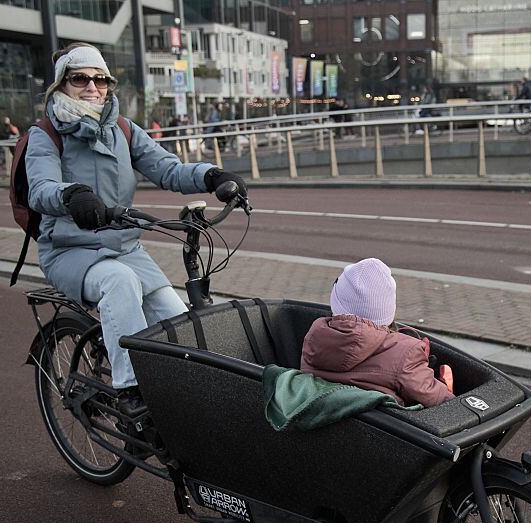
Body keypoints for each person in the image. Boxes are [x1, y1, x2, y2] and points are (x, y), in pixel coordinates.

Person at [25, 42, 247, 417]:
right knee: (119, 284)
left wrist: (212, 176)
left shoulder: (124, 130)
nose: (92, 86)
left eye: (101, 79)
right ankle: (130, 390)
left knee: (178, 324)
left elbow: (168, 169)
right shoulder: (45, 135)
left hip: (126, 250)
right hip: (69, 251)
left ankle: (184, 400)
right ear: (62, 85)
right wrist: (73, 196)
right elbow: (40, 189)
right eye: (80, 78)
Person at [300, 258, 454, 408]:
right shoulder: (405, 353)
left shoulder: (315, 337)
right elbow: (434, 398)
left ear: (336, 304)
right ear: (388, 310)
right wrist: (445, 392)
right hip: (387, 427)